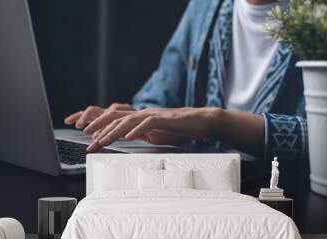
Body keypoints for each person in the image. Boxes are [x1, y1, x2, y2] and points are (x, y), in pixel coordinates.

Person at [64, 0, 307, 162]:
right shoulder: (205, 7)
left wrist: (217, 122)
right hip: (197, 190)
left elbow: (318, 139)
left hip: (286, 201)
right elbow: (162, 97)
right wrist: (143, 119)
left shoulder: (316, 18)